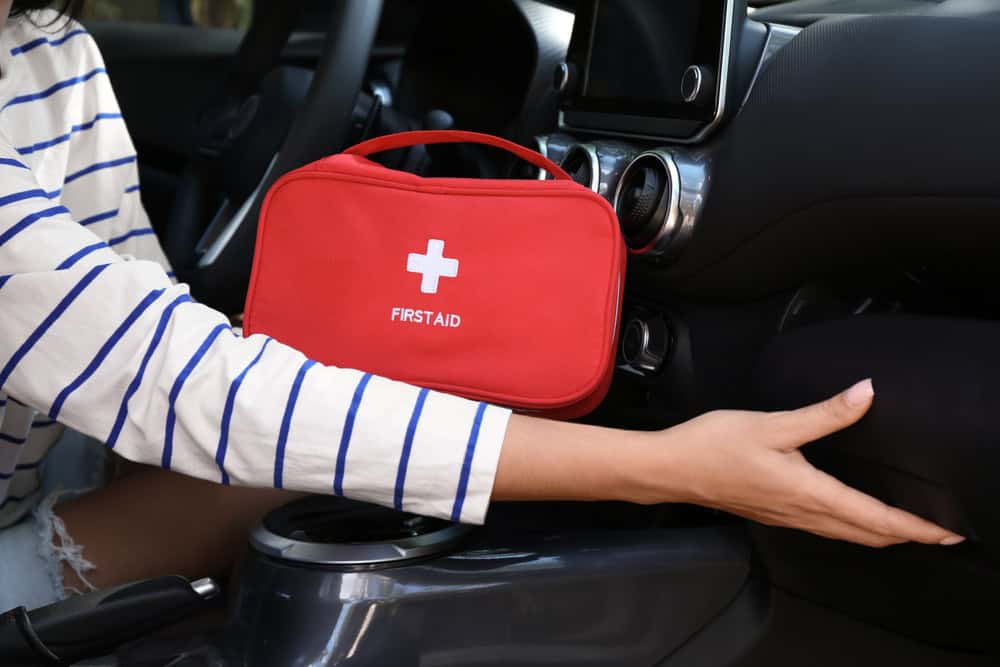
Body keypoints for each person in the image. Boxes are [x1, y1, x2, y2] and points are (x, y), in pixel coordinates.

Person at [0, 0, 964, 613]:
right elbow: (184, 390)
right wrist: (669, 466)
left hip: (43, 458)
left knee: (336, 445)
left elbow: (126, 315)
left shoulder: (46, 47)